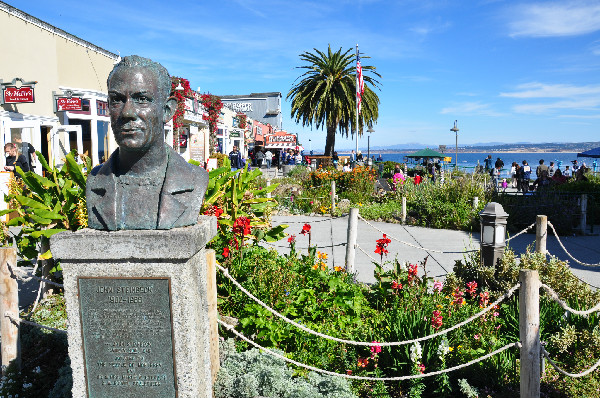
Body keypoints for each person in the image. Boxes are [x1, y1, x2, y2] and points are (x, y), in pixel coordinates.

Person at [86, 55, 209, 231]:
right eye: (117, 100)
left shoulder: (195, 179)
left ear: (167, 110)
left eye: (142, 99)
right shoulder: (96, 181)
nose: (127, 112)